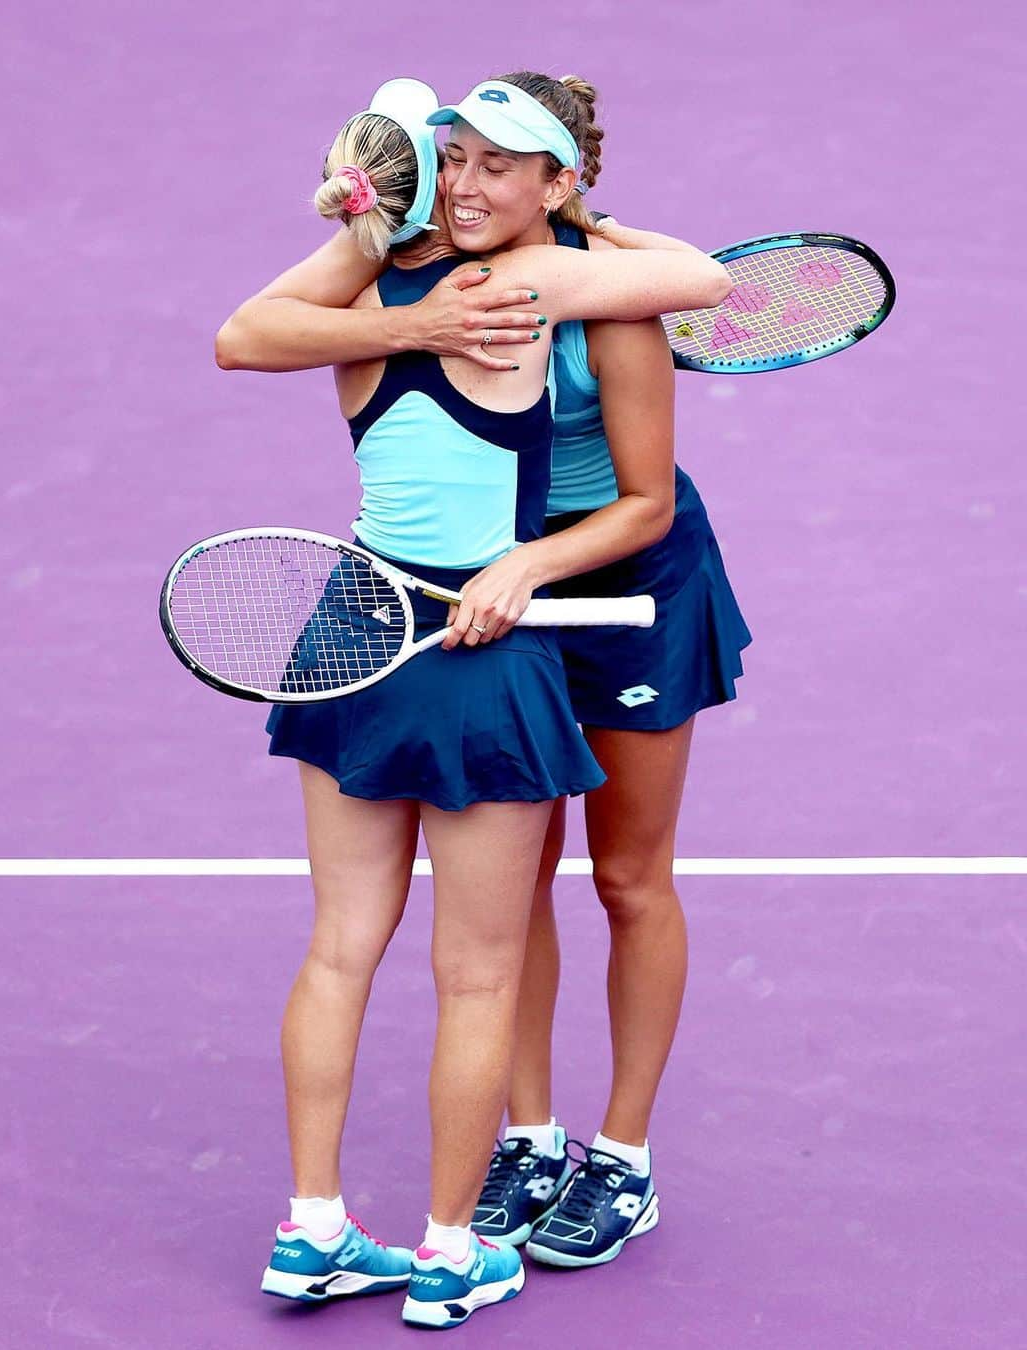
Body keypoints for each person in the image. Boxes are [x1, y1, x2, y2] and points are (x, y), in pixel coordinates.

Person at [215, 78, 732, 1329]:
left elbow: (647, 501)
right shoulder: (420, 273)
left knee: (625, 877)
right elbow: (253, 330)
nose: (465, 185)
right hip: (467, 596)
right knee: (517, 881)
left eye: (503, 166)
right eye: (455, 159)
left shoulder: (606, 302)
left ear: (559, 186)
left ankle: (622, 1154)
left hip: (616, 578)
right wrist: (414, 317)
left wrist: (526, 566)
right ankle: (531, 1131)